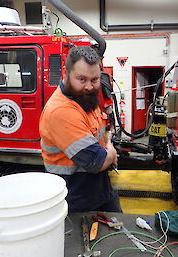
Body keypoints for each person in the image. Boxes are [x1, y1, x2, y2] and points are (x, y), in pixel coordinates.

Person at [39, 46, 121, 213]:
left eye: (94, 80)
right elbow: (95, 162)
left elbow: (103, 128)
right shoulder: (61, 111)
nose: (89, 87)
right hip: (76, 200)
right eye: (81, 79)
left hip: (100, 190)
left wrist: (108, 144)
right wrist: (111, 153)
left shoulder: (84, 98)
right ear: (65, 73)